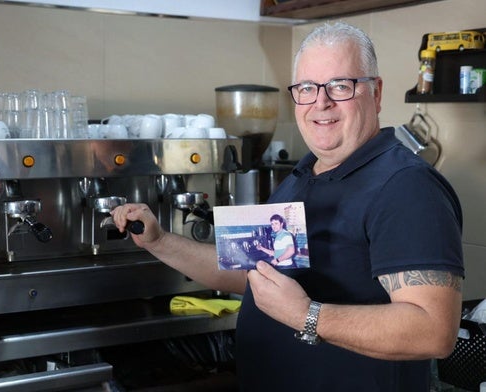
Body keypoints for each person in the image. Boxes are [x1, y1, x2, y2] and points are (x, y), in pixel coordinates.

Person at [112, 21, 464, 391]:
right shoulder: (301, 175)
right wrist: (160, 242)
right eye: (307, 88)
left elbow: (433, 331)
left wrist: (304, 315)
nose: (321, 102)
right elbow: (253, 273)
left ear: (375, 93)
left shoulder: (405, 186)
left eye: (340, 86)